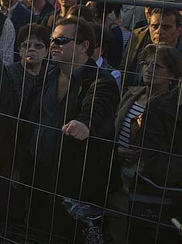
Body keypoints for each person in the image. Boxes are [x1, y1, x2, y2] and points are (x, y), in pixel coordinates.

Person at [15, 17, 120, 243]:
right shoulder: (49, 75)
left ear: (84, 46)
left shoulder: (101, 81)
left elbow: (97, 105)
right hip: (37, 178)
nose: (54, 45)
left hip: (74, 186)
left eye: (62, 40)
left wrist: (84, 122)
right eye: (53, 40)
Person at [107, 43, 182, 243]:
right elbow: (116, 127)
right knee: (116, 227)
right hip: (118, 173)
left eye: (157, 66)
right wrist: (117, 150)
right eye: (145, 64)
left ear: (173, 74)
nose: (149, 70)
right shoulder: (133, 94)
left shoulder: (172, 109)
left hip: (146, 181)